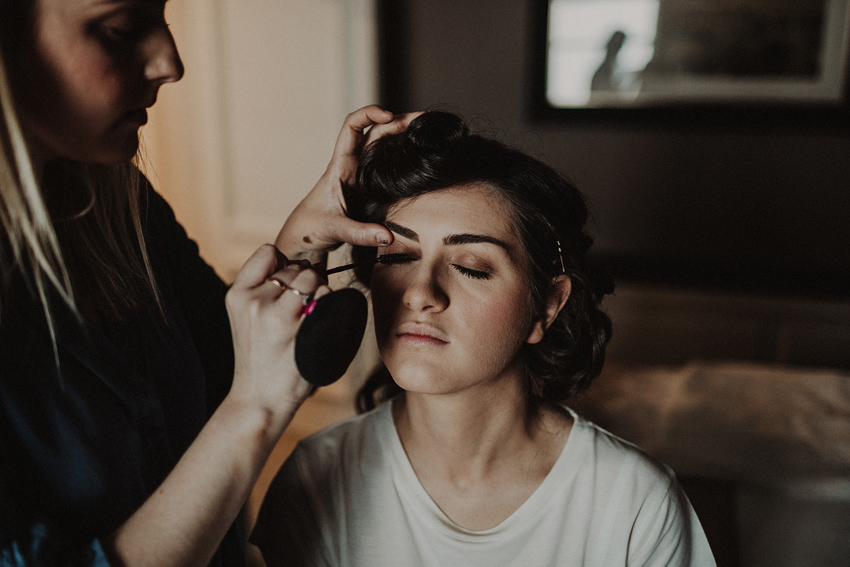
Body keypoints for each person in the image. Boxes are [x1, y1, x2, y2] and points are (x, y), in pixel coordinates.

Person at [0, 0, 412, 565]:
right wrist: (256, 410)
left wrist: (302, 242)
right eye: (121, 30)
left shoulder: (123, 205)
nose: (171, 63)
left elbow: (220, 358)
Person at [251, 111, 716, 566]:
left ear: (547, 307)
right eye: (396, 257)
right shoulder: (316, 476)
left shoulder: (636, 504)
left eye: (471, 266)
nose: (419, 293)